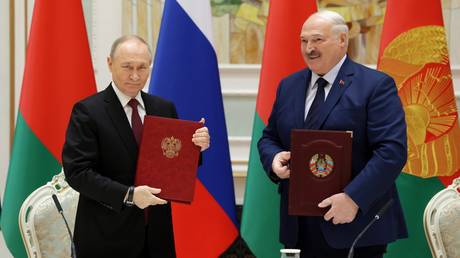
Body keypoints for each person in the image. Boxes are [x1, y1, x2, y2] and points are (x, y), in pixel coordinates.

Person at [258, 10, 408, 258]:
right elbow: (269, 137)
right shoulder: (289, 85)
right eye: (304, 41)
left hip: (355, 226)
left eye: (317, 40)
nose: (309, 48)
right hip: (299, 227)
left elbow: (391, 152)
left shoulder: (375, 85)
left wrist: (353, 199)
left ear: (342, 40)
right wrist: (273, 159)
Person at [62, 35, 210, 258]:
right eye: (127, 67)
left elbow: (174, 164)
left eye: (142, 68)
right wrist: (128, 195)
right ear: (110, 63)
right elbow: (77, 173)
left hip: (157, 237)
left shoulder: (163, 107)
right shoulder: (87, 111)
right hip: (106, 238)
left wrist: (197, 147)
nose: (134, 75)